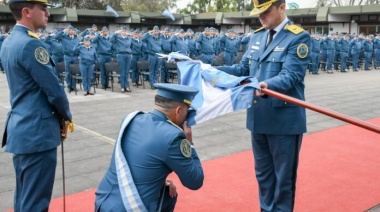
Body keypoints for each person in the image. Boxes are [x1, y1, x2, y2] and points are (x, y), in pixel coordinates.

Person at [216, 0, 311, 211]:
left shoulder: (298, 37)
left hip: (283, 122)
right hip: (258, 118)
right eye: (258, 12)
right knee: (264, 178)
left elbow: (291, 76)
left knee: (283, 181)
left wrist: (266, 84)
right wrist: (209, 70)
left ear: (282, 7)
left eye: (266, 11)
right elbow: (242, 69)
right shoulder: (257, 36)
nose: (261, 16)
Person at [0, 0, 72, 211]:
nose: (48, 13)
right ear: (26, 11)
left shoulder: (10, 40)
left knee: (24, 196)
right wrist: (66, 116)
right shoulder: (31, 44)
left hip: (22, 129)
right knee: (35, 201)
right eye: (43, 9)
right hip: (37, 132)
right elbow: (54, 90)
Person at [95, 83, 204, 212]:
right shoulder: (174, 137)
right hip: (130, 208)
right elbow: (195, 181)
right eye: (187, 110)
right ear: (178, 111)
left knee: (167, 195)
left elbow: (142, 160)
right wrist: (189, 143)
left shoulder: (131, 119)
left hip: (103, 201)